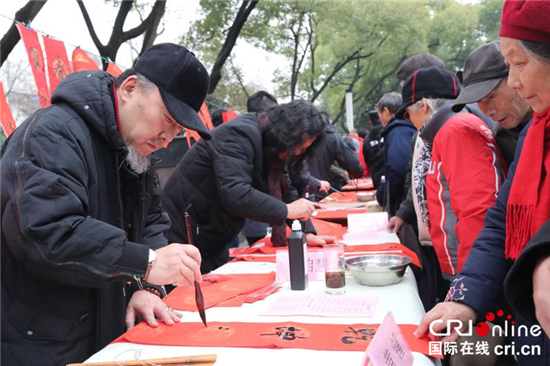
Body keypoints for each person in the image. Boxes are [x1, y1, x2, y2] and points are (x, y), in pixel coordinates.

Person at [1, 43, 208, 365]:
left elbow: (151, 219)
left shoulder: (135, 149)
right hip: (40, 334)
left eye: (177, 130)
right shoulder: (55, 133)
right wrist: (146, 263)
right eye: (167, 119)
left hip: (103, 322)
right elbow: (47, 232)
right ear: (129, 88)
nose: (167, 137)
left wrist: (147, 287)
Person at [415, 1, 550, 363]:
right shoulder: (532, 135)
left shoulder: (459, 130)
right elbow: (502, 218)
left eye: (519, 64)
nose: (518, 83)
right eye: (510, 67)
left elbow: (477, 208)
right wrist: (465, 295)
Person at [162, 100, 332, 274]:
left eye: (304, 149)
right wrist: (287, 210)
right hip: (185, 236)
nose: (297, 152)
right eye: (298, 145)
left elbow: (285, 189)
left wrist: (307, 232)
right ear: (287, 132)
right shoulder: (238, 135)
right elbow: (236, 193)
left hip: (214, 237)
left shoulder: (271, 147)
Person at [395, 66, 506, 282]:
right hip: (462, 260)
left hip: (468, 266)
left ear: (424, 106)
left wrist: (472, 279)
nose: (410, 122)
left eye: (408, 114)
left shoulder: (456, 130)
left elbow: (477, 209)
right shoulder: (449, 129)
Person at [452, 41, 532, 167]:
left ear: (515, 78)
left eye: (491, 96)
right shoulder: (501, 140)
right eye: (478, 100)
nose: (487, 112)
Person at [374, 92, 416, 214]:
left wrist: (383, 194)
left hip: (404, 202)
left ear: (386, 111)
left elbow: (399, 169)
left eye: (379, 114)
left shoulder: (398, 131)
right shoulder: (408, 127)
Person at [307, 111, 363, 199]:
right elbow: (354, 166)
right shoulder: (332, 138)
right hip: (316, 189)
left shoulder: (306, 137)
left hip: (309, 189)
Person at [362, 109, 385, 188]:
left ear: (370, 123)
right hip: (391, 178)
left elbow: (367, 160)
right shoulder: (389, 133)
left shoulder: (367, 140)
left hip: (376, 179)